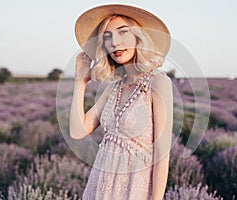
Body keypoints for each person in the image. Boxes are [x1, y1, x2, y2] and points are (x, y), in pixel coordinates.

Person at [70, 4, 173, 200]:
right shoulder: (113, 88)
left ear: (138, 36)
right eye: (107, 37)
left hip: (133, 190)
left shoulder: (158, 83)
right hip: (98, 188)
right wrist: (80, 82)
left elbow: (162, 155)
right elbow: (77, 131)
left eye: (122, 32)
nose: (115, 43)